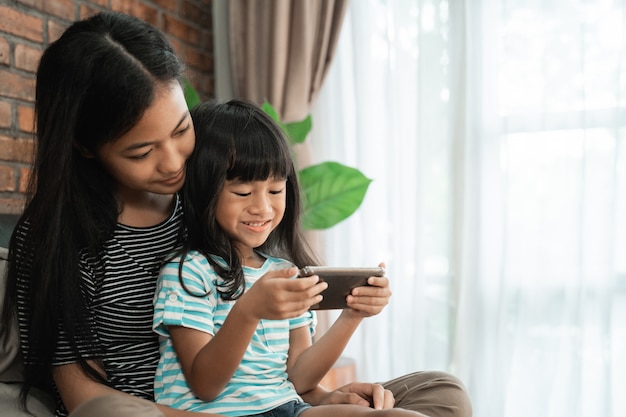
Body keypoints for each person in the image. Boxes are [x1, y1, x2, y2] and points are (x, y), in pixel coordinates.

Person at [0, 10, 471, 417]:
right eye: (141, 151)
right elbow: (83, 397)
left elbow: (283, 366)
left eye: (181, 129)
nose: (173, 162)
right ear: (84, 146)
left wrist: (325, 397)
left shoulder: (216, 199)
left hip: (265, 403)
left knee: (442, 393)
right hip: (157, 410)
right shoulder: (55, 240)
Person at [153, 99, 425, 417]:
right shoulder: (188, 272)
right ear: (203, 192)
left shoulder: (285, 273)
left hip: (287, 407)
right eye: (242, 192)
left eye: (275, 190)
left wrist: (353, 314)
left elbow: (300, 377)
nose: (262, 208)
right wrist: (249, 310)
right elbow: (205, 384)